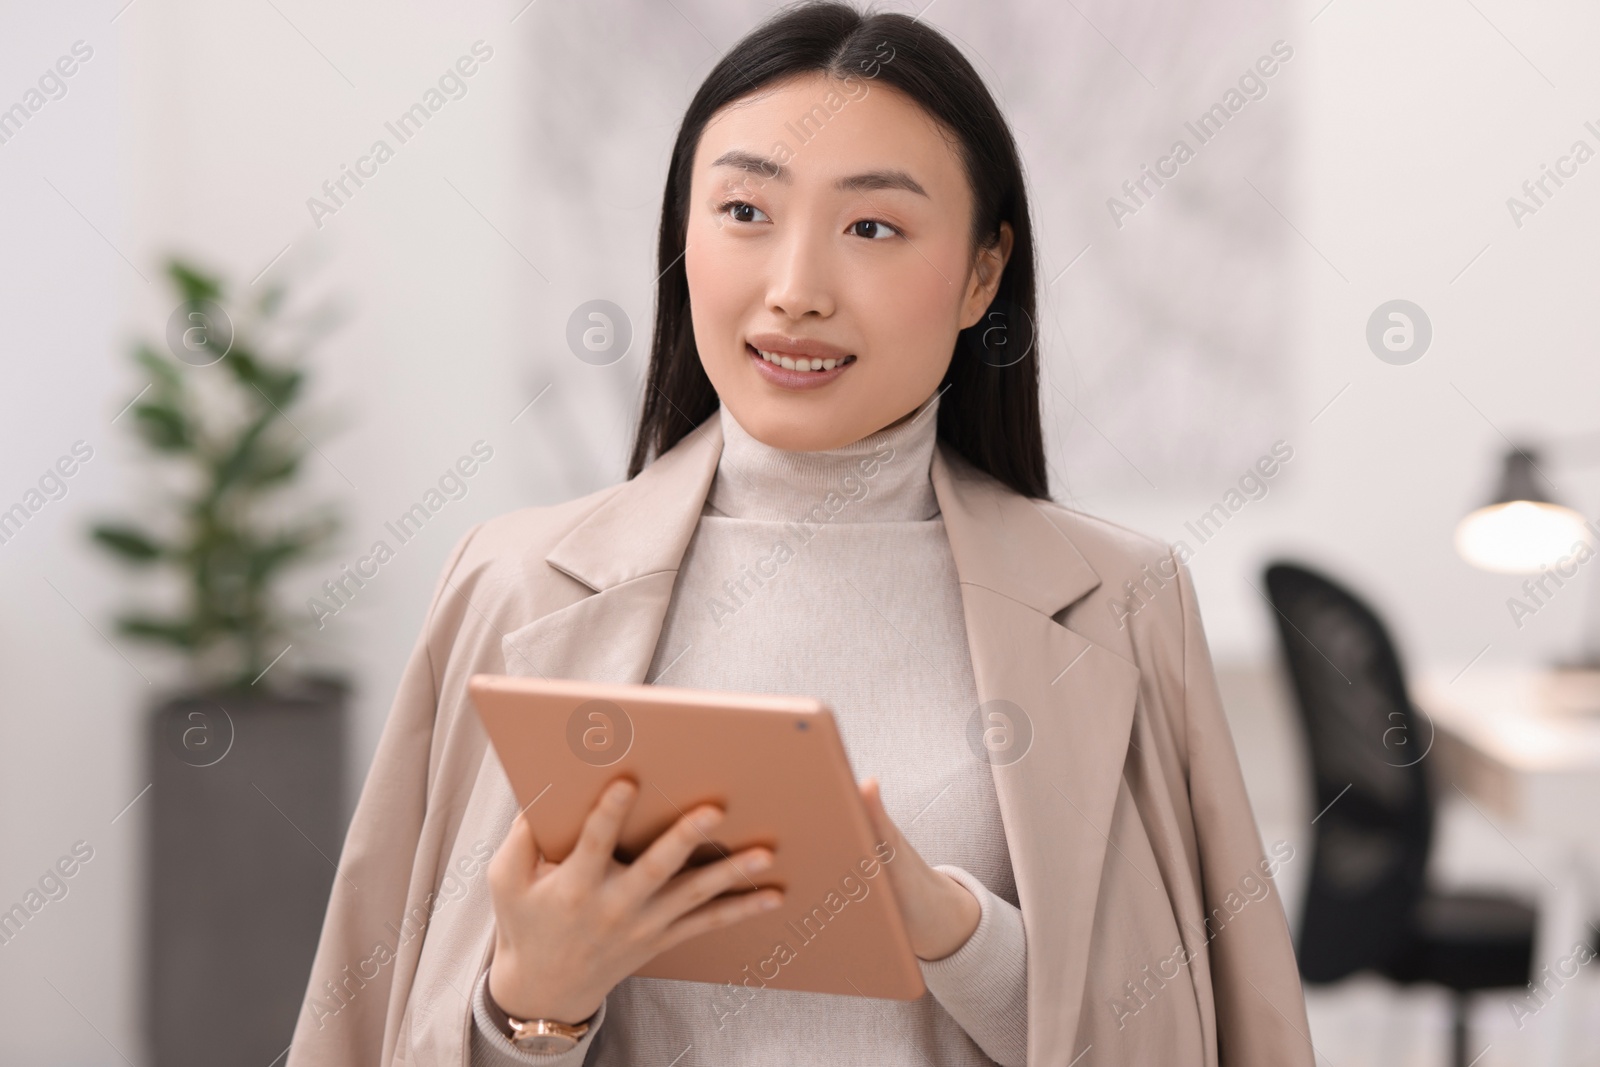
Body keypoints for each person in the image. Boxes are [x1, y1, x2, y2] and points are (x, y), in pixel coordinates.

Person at [286, 4, 1313, 1065]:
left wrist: (956, 935)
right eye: (743, 210)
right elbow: (361, 1033)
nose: (794, 291)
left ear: (981, 273)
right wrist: (535, 1005)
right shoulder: (509, 587)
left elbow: (1199, 1037)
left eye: (872, 227)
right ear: (683, 238)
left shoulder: (1126, 603)